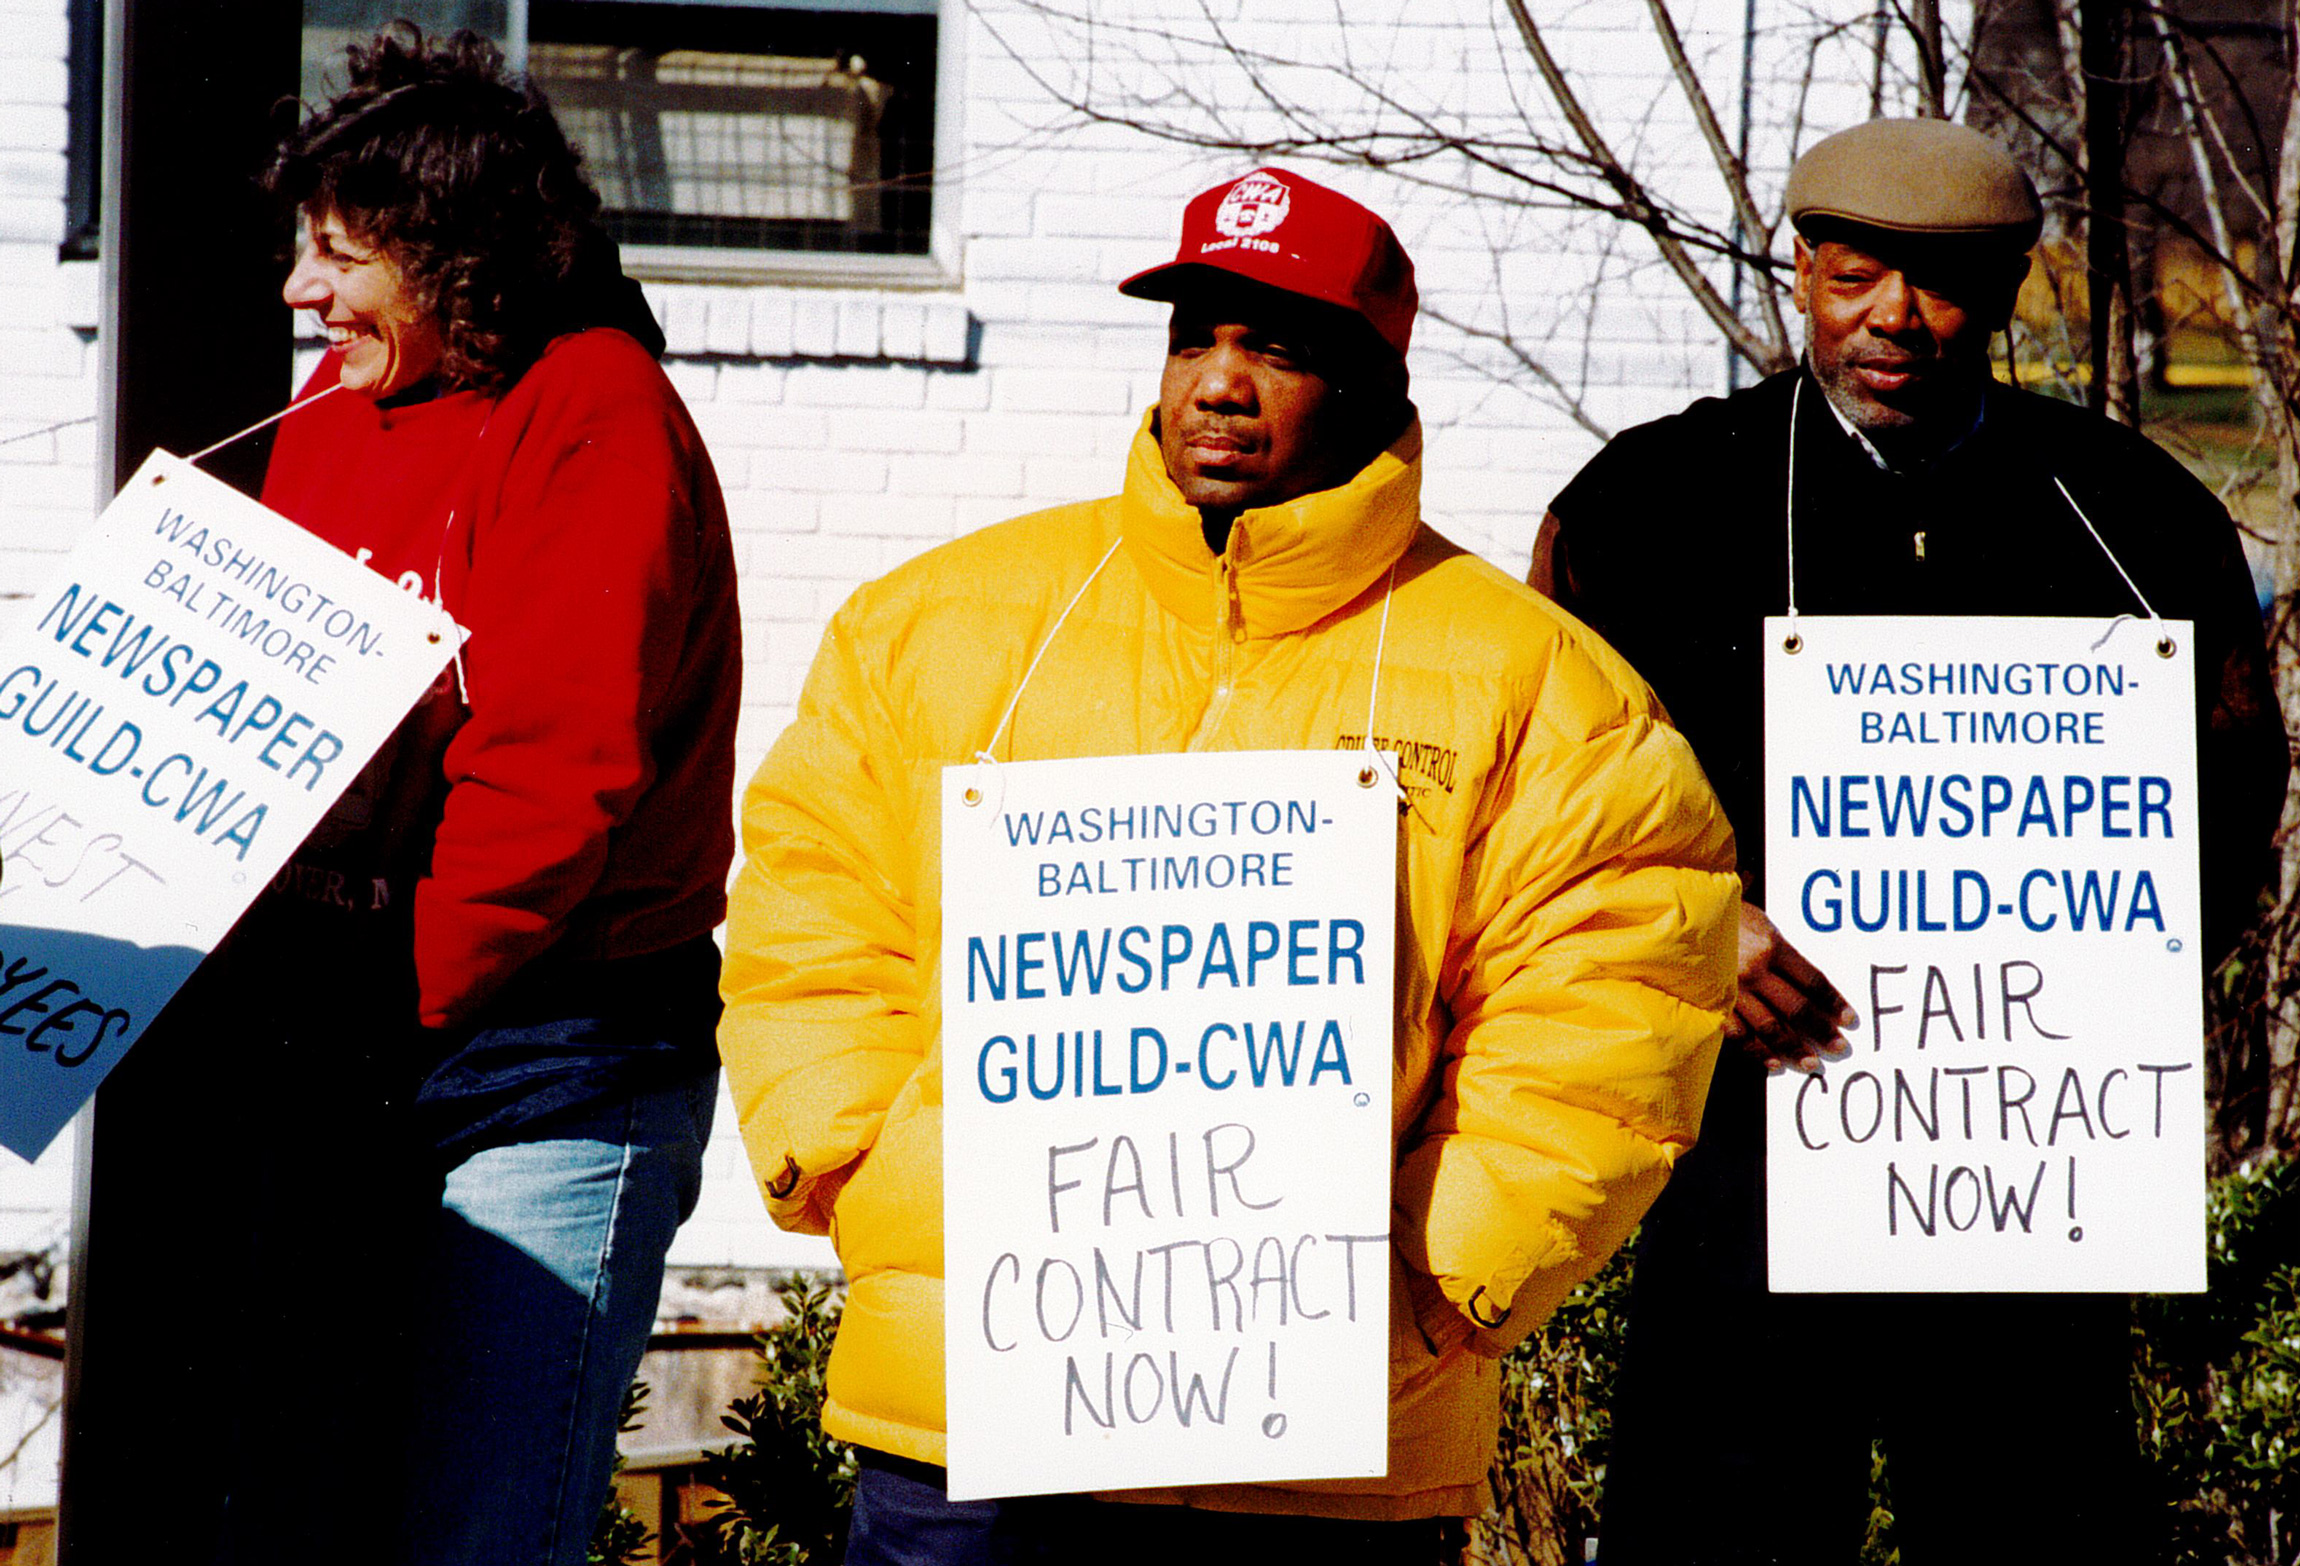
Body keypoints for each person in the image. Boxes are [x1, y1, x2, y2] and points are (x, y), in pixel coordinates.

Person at [718, 166, 1739, 1564]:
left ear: (1377, 384)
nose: (1220, 383)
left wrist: (1414, 1289)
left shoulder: (1545, 690)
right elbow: (811, 926)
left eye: (1280, 348)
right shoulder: (934, 625)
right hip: (972, 1423)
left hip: (1330, 1452)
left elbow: (1605, 1018)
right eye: (1196, 334)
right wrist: (893, 1187)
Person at [1535, 118, 2288, 1564]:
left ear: (2011, 287)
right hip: (1740, 1158)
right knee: (1717, 1530)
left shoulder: (2131, 518)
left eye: (1942, 280)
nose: (1894, 316)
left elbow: (2230, 797)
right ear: (1799, 269)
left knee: (2034, 1526)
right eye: (1853, 269)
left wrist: (2114, 980)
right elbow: (1555, 805)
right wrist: (1692, 927)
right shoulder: (1650, 506)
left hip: (2020, 1165)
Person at [241, 27, 740, 1565]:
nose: (301, 296)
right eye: (301, 252)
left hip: (544, 1058)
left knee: (480, 1528)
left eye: (342, 256)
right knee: (296, 1512)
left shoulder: (594, 416)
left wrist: (389, 1016)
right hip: (347, 1038)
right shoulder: (336, 413)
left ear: (457, 257)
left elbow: (550, 780)